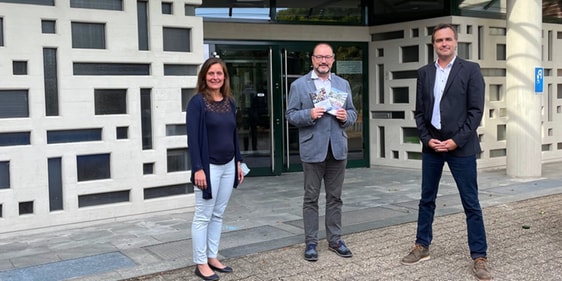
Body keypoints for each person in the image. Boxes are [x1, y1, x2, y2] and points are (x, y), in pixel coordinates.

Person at [401, 23, 492, 281]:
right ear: (434, 44)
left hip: (460, 147)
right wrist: (428, 139)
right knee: (426, 199)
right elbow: (419, 112)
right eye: (439, 40)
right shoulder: (424, 73)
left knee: (470, 202)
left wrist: (455, 141)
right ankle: (422, 246)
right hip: (432, 147)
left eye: (448, 39)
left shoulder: (471, 70)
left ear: (456, 42)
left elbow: (475, 112)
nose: (444, 43)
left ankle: (479, 257)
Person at [286, 43, 357, 262]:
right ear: (312, 60)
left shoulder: (342, 84)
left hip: (337, 149)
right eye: (319, 57)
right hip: (313, 148)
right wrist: (309, 113)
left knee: (335, 198)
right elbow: (290, 115)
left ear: (333, 60)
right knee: (311, 198)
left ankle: (335, 240)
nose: (323, 61)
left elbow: (353, 112)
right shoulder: (299, 85)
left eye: (327, 57)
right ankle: (311, 242)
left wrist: (347, 117)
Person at [186, 57, 245, 281]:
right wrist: (198, 169)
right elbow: (193, 139)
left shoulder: (229, 102)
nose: (215, 77)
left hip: (229, 165)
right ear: (204, 76)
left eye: (219, 74)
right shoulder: (197, 103)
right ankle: (200, 263)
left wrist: (238, 162)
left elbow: (233, 134)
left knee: (218, 214)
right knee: (203, 216)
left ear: (225, 77)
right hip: (208, 167)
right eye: (211, 74)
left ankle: (212, 256)